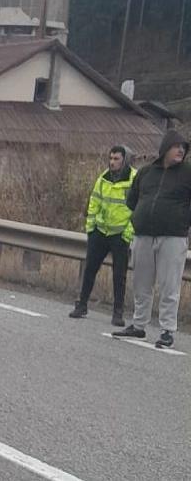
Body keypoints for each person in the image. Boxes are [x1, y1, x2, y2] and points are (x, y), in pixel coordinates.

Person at [113, 131, 191, 349]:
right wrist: (141, 216)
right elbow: (133, 200)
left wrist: (183, 219)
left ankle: (167, 330)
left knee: (169, 285)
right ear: (165, 148)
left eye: (184, 148)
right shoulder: (146, 172)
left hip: (173, 237)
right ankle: (139, 326)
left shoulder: (187, 172)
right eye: (177, 146)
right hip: (144, 234)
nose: (181, 151)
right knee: (141, 283)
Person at [69, 146, 136, 326]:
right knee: (90, 269)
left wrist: (128, 233)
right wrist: (90, 228)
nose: (112, 162)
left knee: (119, 275)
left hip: (120, 233)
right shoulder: (104, 177)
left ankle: (118, 313)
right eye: (111, 158)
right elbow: (94, 201)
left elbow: (138, 208)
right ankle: (81, 305)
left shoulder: (134, 179)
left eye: (116, 159)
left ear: (125, 160)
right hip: (100, 230)